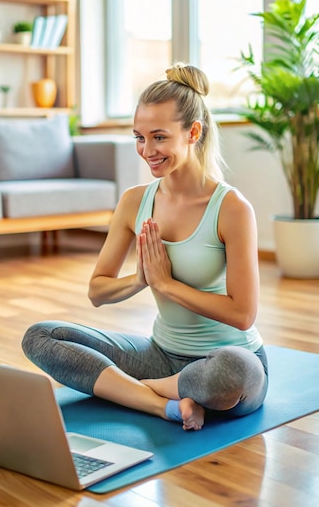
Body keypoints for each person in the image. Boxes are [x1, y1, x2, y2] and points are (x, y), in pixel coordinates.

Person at [22, 62, 268, 431]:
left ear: (193, 132)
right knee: (41, 336)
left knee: (235, 372)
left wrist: (166, 284)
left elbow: (243, 314)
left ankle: (136, 391)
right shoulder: (135, 201)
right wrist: (140, 279)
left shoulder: (231, 208)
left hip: (224, 361)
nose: (147, 149)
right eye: (139, 137)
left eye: (158, 137)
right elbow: (97, 291)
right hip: (161, 355)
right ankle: (164, 406)